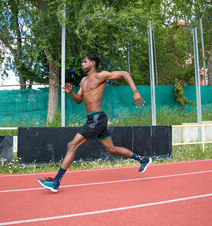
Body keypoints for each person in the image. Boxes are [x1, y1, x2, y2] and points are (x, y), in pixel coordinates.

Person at [37, 53, 152, 193]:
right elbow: (79, 100)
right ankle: (143, 159)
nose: (82, 64)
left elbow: (124, 73)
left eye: (84, 61)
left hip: (97, 118)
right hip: (93, 119)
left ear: (93, 63)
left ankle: (56, 182)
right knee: (111, 149)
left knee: (72, 145)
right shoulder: (83, 81)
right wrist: (71, 92)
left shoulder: (100, 76)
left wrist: (135, 92)